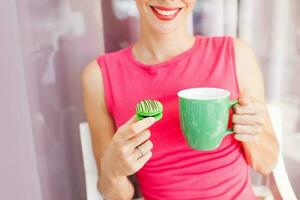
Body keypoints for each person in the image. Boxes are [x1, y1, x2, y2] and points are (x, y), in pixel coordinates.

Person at [81, 0, 279, 199]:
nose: (168, 0)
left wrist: (252, 132)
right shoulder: (98, 77)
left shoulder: (236, 54)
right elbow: (117, 195)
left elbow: (266, 163)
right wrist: (113, 172)